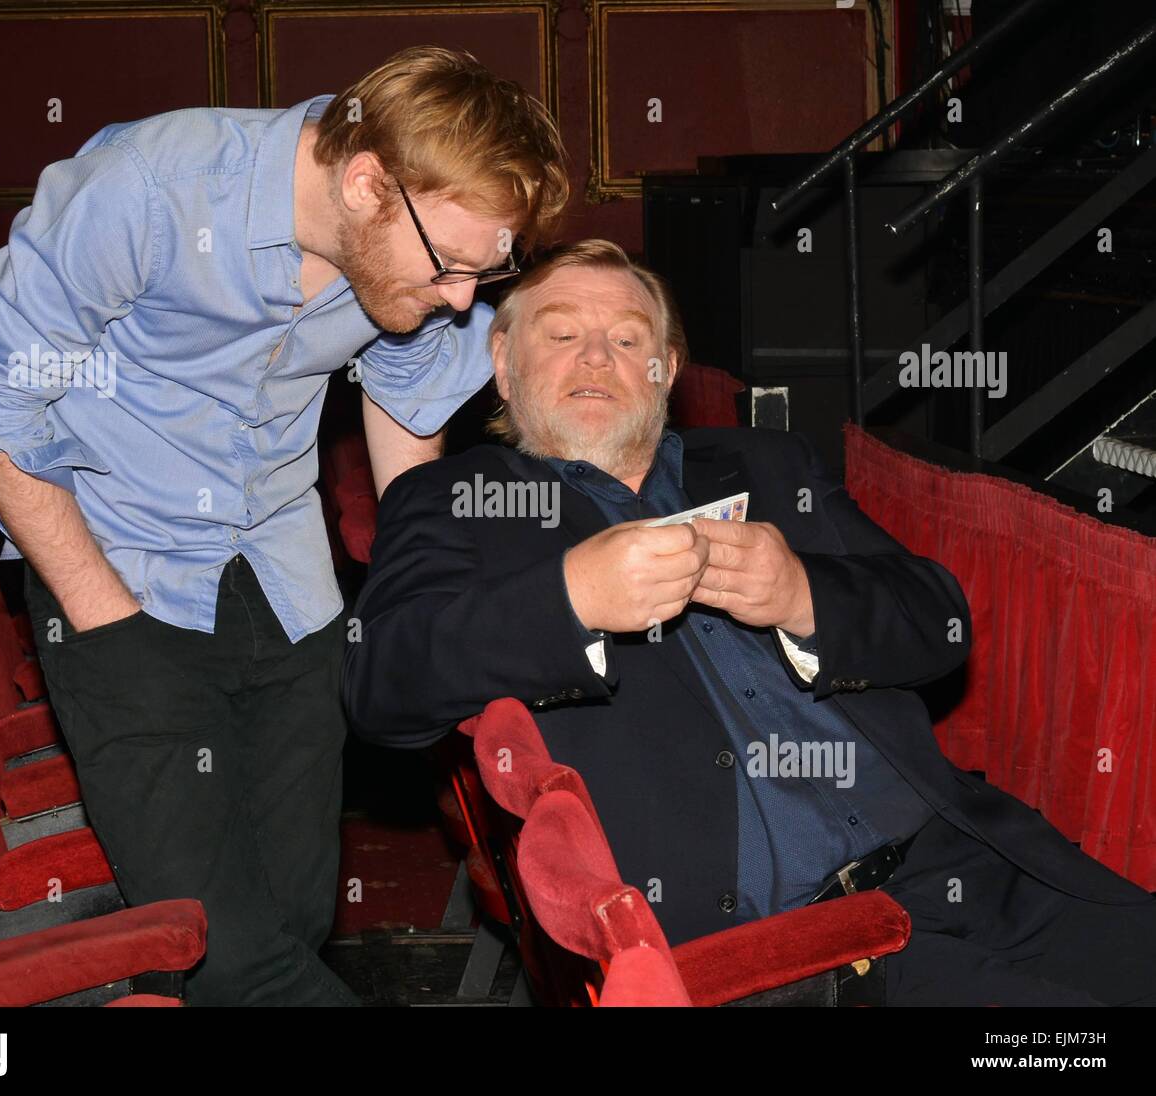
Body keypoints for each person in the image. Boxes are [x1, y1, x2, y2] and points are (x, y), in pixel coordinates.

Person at [343, 238, 1156, 1006]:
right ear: (505, 367)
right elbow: (381, 687)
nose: (597, 357)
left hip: (960, 856)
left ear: (664, 372)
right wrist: (572, 601)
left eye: (629, 340)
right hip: (777, 939)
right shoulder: (456, 501)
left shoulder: (769, 465)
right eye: (562, 334)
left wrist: (804, 595)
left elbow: (941, 623)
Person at [0, 46, 568, 1006]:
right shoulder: (153, 190)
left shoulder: (406, 249)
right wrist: (102, 617)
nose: (458, 298)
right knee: (226, 953)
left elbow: (407, 411)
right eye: (449, 266)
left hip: (285, 584)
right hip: (122, 571)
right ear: (366, 183)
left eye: (485, 271)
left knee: (293, 918)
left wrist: (419, 605)